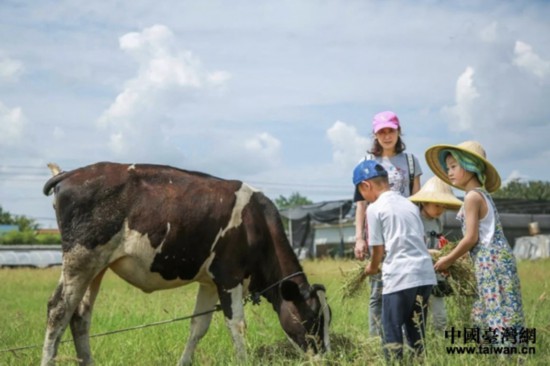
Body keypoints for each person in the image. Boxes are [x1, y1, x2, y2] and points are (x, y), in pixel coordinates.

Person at [426, 141, 525, 346]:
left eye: (454, 166)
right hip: (493, 259)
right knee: (493, 308)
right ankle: (503, 355)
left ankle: (505, 357)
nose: (449, 172)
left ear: (470, 166)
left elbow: (471, 238)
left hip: (491, 261)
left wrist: (448, 259)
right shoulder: (482, 194)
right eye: (448, 168)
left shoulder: (472, 197)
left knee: (495, 309)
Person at [353, 159, 436, 361]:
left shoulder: (374, 208)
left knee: (391, 336)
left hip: (400, 278)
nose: (363, 198)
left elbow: (378, 251)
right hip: (424, 276)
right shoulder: (409, 204)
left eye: (361, 193)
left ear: (366, 185)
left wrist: (371, 269)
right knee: (416, 334)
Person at [354, 110, 422, 337]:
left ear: (398, 131)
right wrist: (360, 237)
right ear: (375, 135)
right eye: (381, 132)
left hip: (404, 232)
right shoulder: (366, 162)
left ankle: (403, 335)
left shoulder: (411, 161)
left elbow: (417, 200)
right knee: (377, 290)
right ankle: (377, 337)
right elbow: (361, 204)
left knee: (407, 284)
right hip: (377, 231)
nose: (386, 136)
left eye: (390, 130)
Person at [409, 176, 463, 334]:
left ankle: (440, 343)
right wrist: (429, 252)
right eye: (437, 205)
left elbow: (439, 241)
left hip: (436, 273)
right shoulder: (414, 219)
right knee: (416, 313)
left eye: (443, 206)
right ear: (424, 202)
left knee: (440, 316)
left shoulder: (438, 222)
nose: (440, 210)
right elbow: (410, 246)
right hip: (417, 273)